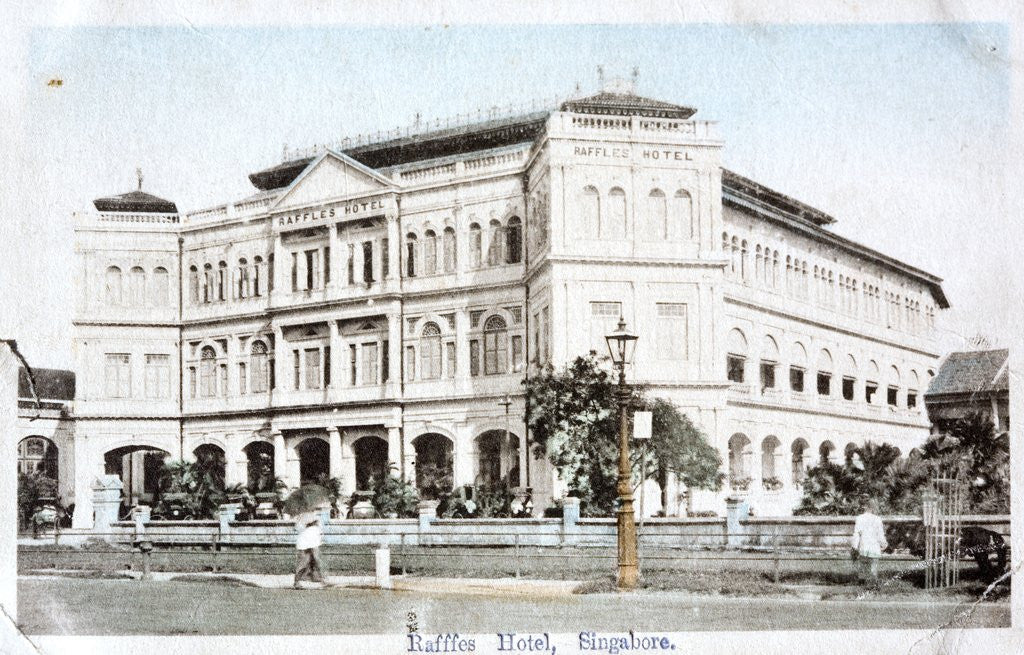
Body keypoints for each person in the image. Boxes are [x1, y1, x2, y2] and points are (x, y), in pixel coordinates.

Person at [851, 499, 887, 585]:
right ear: (873, 508)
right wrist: (884, 543)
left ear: (864, 507)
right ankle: (873, 583)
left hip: (864, 546)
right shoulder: (878, 519)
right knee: (873, 567)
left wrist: (854, 546)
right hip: (874, 547)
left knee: (863, 566)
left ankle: (862, 582)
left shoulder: (859, 518)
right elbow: (880, 534)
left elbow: (857, 534)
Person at [293, 510, 328, 589]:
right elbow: (297, 528)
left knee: (314, 560)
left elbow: (319, 528)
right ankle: (298, 581)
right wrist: (308, 523)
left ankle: (318, 579)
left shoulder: (315, 517)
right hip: (305, 542)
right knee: (306, 561)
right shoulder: (303, 517)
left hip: (311, 540)